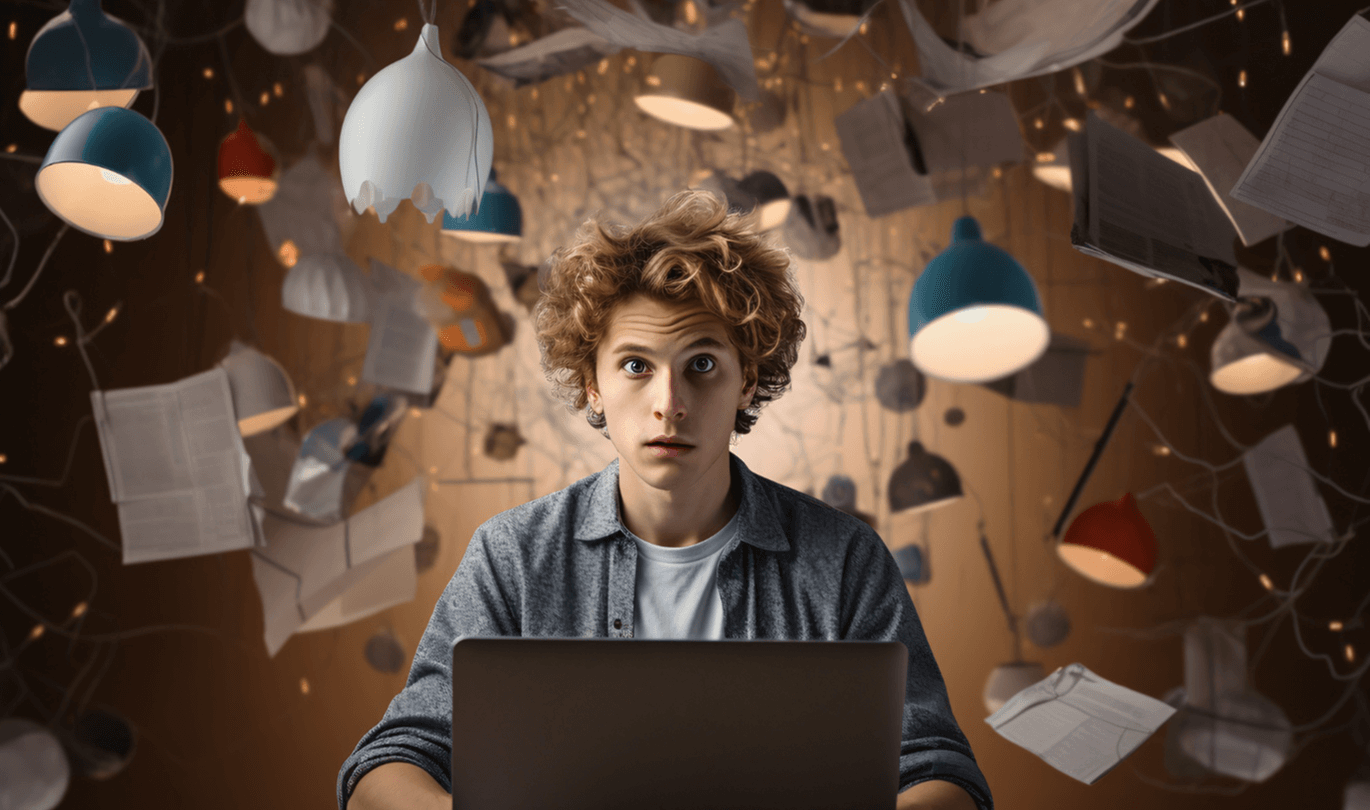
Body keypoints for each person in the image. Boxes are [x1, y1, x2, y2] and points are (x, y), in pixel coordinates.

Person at [338, 189, 992, 810]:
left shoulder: (846, 561)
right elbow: (387, 766)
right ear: (592, 385)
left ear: (748, 381)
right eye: (635, 366)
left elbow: (940, 773)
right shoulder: (512, 557)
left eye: (702, 364)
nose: (669, 404)